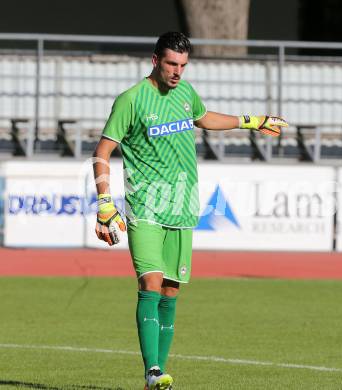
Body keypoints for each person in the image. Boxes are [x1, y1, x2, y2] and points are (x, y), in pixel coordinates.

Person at [93, 31, 288, 390]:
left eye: (183, 64)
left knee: (170, 290)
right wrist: (105, 202)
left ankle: (159, 375)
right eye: (171, 64)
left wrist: (252, 121)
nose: (178, 72)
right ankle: (152, 371)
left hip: (183, 209)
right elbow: (102, 152)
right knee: (150, 281)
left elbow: (204, 117)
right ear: (155, 61)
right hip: (147, 206)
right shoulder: (131, 100)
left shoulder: (185, 93)